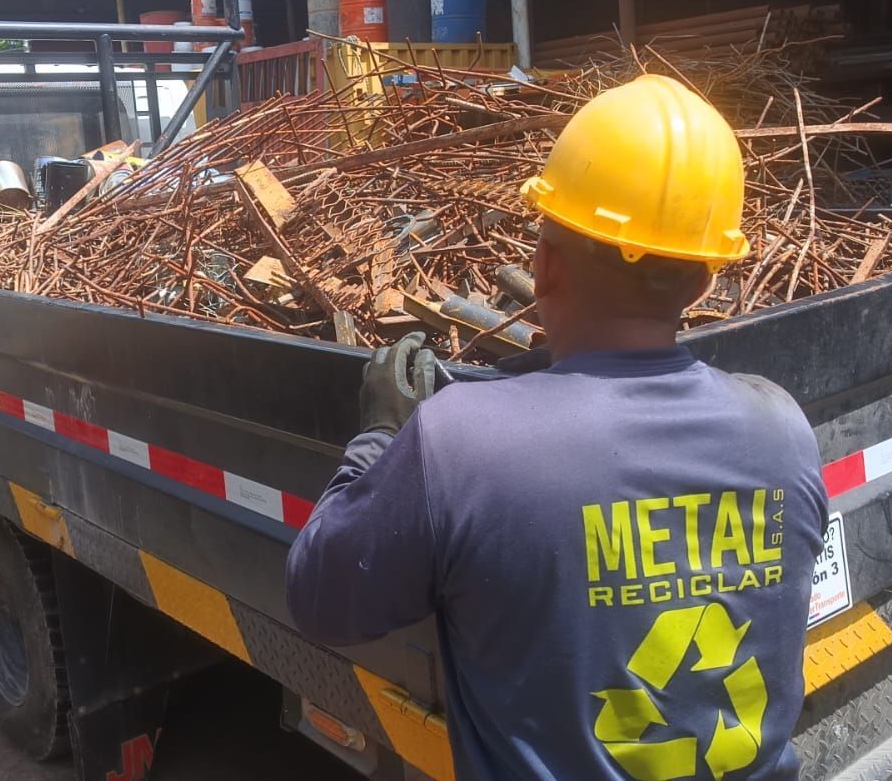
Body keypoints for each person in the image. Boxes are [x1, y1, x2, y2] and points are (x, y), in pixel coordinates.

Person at [286, 76, 829, 781]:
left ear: (541, 266)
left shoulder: (463, 444)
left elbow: (323, 600)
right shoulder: (781, 429)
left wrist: (380, 434)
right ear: (704, 281)